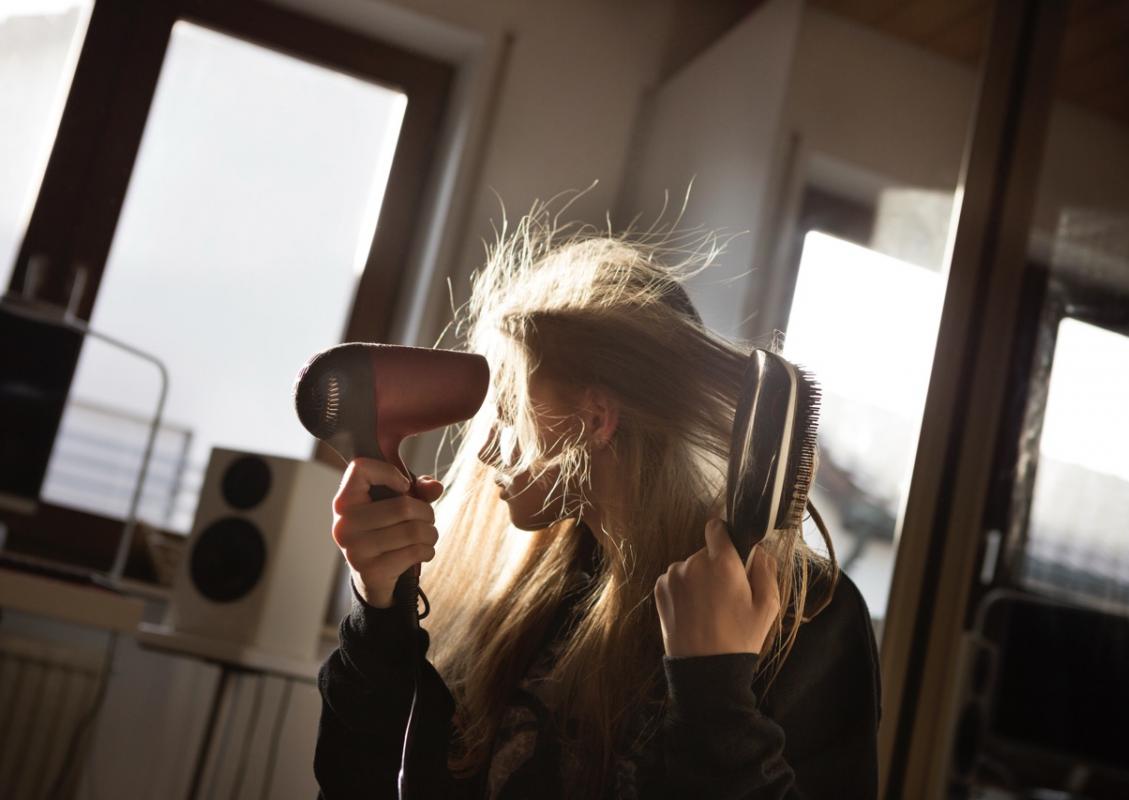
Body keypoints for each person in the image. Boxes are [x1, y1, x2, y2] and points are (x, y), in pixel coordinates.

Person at [314, 207, 881, 799]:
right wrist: (380, 611)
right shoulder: (522, 608)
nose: (484, 450)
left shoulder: (807, 618)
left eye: (507, 412)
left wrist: (715, 692)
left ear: (594, 417)